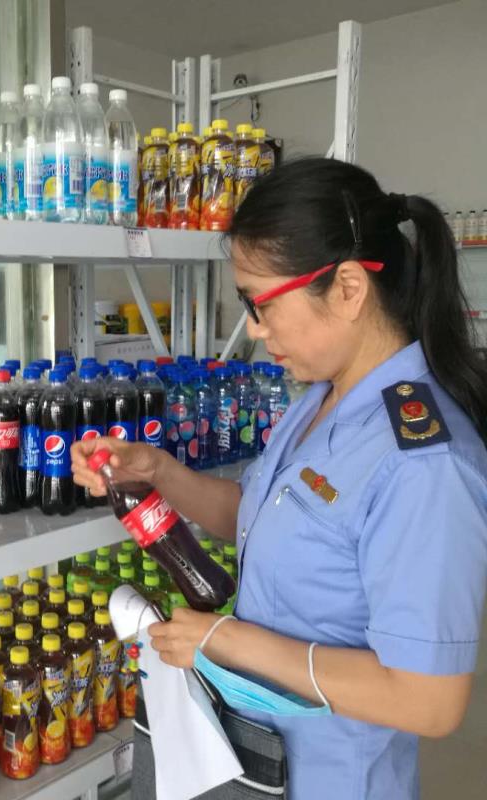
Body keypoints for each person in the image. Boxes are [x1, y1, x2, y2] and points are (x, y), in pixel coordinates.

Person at [72, 157, 487, 800]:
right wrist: (158, 471)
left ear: (348, 288)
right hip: (259, 761)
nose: (255, 330)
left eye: (260, 304)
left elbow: (428, 701)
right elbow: (259, 516)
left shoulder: (423, 463)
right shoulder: (319, 399)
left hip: (333, 779)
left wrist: (226, 640)